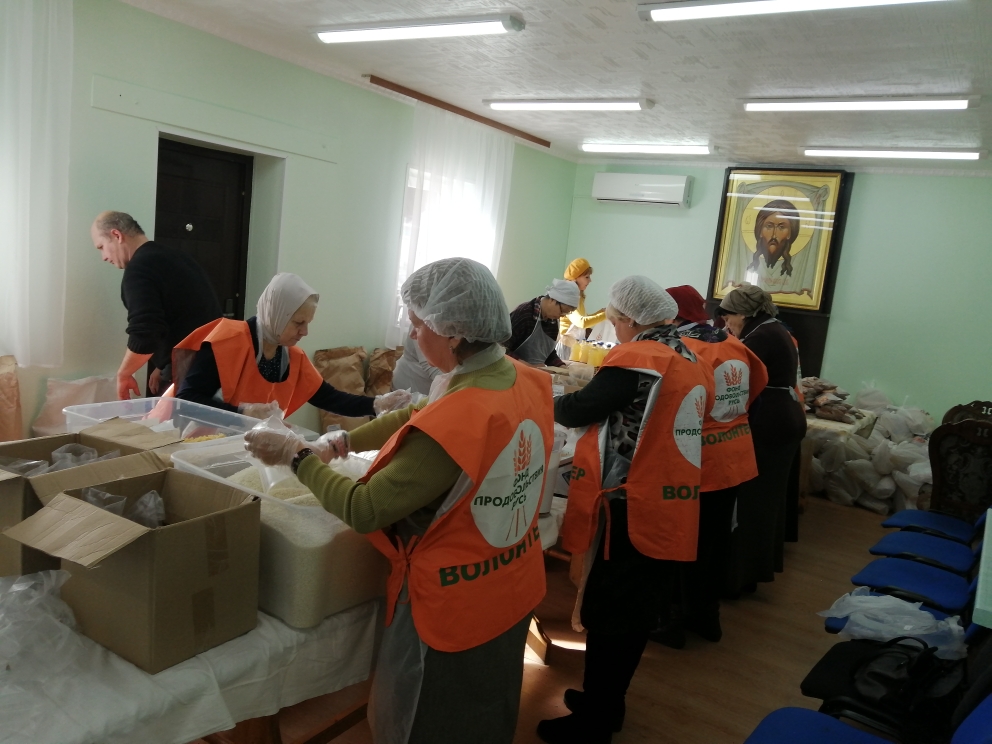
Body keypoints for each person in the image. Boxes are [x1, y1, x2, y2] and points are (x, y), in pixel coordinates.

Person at [244, 257, 554, 744]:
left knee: (432, 722)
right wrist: (338, 444)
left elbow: (364, 508)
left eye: (417, 324)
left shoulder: (464, 413)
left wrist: (296, 456)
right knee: (488, 707)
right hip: (510, 575)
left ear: (453, 332)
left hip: (455, 601)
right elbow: (418, 414)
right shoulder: (515, 376)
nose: (411, 334)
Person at [539, 277, 713, 744]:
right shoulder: (690, 356)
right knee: (634, 612)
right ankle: (606, 703)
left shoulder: (640, 358)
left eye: (615, 321)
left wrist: (539, 397)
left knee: (612, 614)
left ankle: (595, 722)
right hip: (672, 498)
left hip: (632, 502)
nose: (614, 331)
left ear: (632, 320)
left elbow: (580, 408)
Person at [653, 285, 768, 647]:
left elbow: (671, 403)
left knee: (682, 539)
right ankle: (706, 617)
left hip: (697, 457)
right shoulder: (732, 342)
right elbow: (758, 386)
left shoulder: (684, 348)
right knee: (715, 542)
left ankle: (672, 621)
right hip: (735, 453)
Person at [173, 273, 410, 419]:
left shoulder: (292, 358)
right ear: (276, 314)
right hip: (199, 443)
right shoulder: (227, 342)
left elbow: (329, 398)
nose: (305, 332)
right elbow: (186, 400)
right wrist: (242, 413)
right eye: (298, 323)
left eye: (308, 323)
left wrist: (377, 404)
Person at [717, 284, 806, 595]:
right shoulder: (773, 328)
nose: (727, 323)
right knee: (766, 502)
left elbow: (736, 377)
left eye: (728, 317)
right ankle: (751, 572)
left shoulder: (761, 336)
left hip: (771, 422)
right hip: (784, 418)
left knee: (751, 502)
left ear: (743, 313)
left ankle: (740, 577)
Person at [91, 211, 221, 400]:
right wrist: (161, 365)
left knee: (181, 419)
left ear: (117, 235)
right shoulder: (175, 257)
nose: (103, 256)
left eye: (101, 247)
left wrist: (124, 374)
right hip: (216, 361)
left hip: (192, 370)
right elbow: (183, 315)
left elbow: (145, 334)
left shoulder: (139, 269)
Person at [506, 279, 580, 367]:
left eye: (565, 314)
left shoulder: (553, 321)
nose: (561, 316)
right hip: (513, 370)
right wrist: (528, 367)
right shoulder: (524, 314)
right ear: (552, 300)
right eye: (562, 311)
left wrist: (561, 366)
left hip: (536, 372)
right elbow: (501, 350)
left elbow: (548, 352)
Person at [557, 258, 606, 360]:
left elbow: (582, 320)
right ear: (575, 278)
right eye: (587, 277)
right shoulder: (569, 297)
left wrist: (601, 312)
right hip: (566, 347)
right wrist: (606, 314)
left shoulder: (579, 297)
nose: (590, 280)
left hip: (574, 346)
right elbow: (581, 323)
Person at [391, 332, 440, 396]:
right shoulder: (422, 330)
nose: (412, 334)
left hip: (428, 386)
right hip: (410, 381)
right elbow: (431, 365)